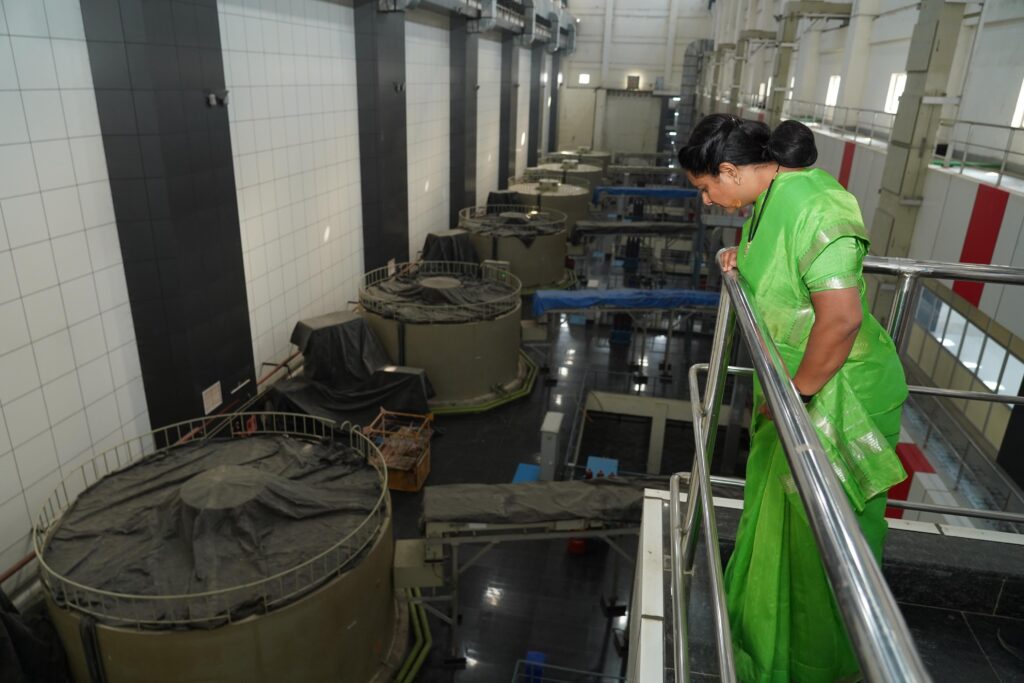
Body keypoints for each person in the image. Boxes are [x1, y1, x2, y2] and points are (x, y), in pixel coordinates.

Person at [678, 114, 908, 683]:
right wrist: (740, 260)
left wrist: (794, 394)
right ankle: (769, 643)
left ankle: (818, 665)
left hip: (840, 393)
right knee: (784, 522)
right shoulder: (771, 194)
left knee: (819, 543)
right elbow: (780, 265)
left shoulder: (820, 208)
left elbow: (842, 320)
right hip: (800, 386)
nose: (709, 200)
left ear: (730, 171)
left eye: (708, 188)